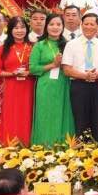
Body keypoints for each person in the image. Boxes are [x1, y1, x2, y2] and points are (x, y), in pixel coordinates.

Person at [62, 13, 98, 143]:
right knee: (80, 117)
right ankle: (81, 150)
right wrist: (85, 75)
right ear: (81, 25)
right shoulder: (71, 44)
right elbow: (67, 69)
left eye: (92, 24)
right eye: (86, 24)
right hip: (79, 85)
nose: (89, 27)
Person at [28, 13, 74, 146]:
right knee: (46, 115)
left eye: (59, 24)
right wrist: (53, 65)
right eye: (52, 24)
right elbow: (33, 68)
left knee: (64, 114)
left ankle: (64, 146)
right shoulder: (40, 45)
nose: (55, 27)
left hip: (64, 83)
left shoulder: (68, 45)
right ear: (46, 26)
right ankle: (44, 146)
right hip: (46, 85)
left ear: (63, 27)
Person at [0, 16, 33, 145]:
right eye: (16, 28)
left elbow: (36, 68)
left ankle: (27, 143)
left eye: (22, 27)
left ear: (27, 29)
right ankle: (9, 143)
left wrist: (28, 72)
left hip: (28, 85)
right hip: (11, 86)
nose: (19, 31)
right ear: (10, 30)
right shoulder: (4, 48)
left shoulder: (32, 47)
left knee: (27, 115)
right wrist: (10, 73)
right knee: (11, 115)